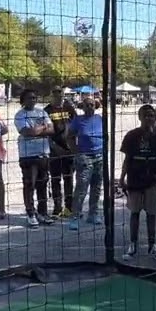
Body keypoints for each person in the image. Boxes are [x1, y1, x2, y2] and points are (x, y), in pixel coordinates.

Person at [120, 104, 156, 261]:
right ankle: (133, 244)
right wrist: (121, 178)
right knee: (134, 212)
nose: (149, 118)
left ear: (155, 118)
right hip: (134, 179)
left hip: (153, 180)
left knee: (152, 213)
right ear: (139, 117)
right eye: (145, 115)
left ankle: (152, 245)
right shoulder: (132, 136)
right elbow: (127, 159)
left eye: (151, 115)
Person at [13, 89, 54, 227]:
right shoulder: (19, 115)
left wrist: (38, 129)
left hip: (43, 152)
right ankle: (30, 213)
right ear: (23, 100)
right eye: (30, 98)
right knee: (29, 184)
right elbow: (26, 132)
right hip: (27, 154)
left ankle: (43, 212)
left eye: (35, 97)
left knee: (43, 183)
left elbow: (51, 130)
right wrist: (43, 128)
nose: (33, 100)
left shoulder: (42, 112)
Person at [67, 91, 106, 230]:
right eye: (87, 105)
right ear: (82, 107)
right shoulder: (78, 120)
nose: (90, 107)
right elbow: (69, 137)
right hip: (84, 156)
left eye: (92, 105)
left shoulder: (100, 119)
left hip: (100, 156)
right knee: (82, 187)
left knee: (97, 186)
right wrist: (76, 152)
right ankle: (75, 216)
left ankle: (93, 213)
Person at [44, 88, 77, 218]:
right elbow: (46, 133)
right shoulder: (46, 111)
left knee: (69, 179)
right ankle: (57, 207)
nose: (58, 97)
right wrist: (53, 146)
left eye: (60, 95)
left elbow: (76, 126)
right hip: (54, 151)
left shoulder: (69, 108)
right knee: (55, 179)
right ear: (51, 96)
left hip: (69, 150)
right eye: (55, 95)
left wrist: (74, 146)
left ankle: (69, 207)